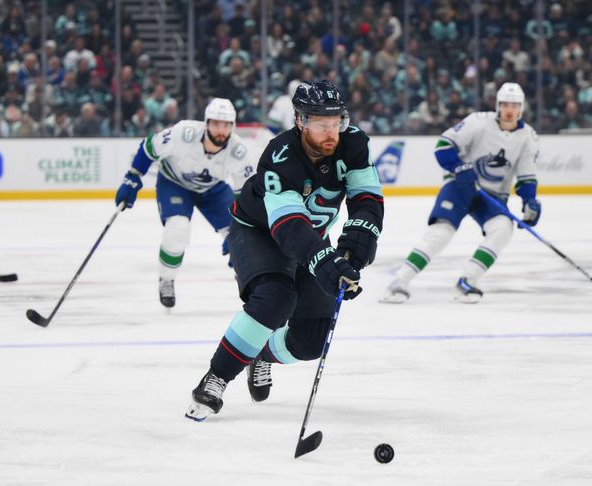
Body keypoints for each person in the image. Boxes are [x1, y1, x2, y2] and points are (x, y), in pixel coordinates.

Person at [185, 80, 384, 421]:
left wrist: (359, 237)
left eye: (336, 122)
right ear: (301, 121)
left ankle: (260, 353)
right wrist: (324, 259)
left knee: (310, 342)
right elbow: (288, 225)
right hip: (260, 232)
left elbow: (367, 197)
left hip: (309, 236)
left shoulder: (353, 143)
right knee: (275, 298)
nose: (331, 132)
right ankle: (216, 376)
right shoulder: (280, 156)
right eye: (322, 124)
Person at [380, 82, 541, 304]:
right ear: (497, 105)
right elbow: (444, 146)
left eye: (514, 105)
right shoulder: (478, 122)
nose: (509, 110)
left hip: (493, 197)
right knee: (441, 233)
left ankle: (467, 280)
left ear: (521, 108)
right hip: (460, 188)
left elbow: (526, 177)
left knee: (502, 229)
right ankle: (399, 281)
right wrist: (458, 167)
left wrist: (529, 200)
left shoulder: (528, 137)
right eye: (504, 104)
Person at [115, 98, 255, 307]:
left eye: (226, 125)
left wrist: (239, 226)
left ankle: (249, 284)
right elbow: (149, 147)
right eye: (216, 124)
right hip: (174, 183)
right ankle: (167, 279)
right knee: (177, 229)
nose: (221, 130)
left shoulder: (238, 151)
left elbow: (245, 194)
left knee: (242, 239)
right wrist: (132, 176)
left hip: (212, 190)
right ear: (207, 123)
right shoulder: (183, 134)